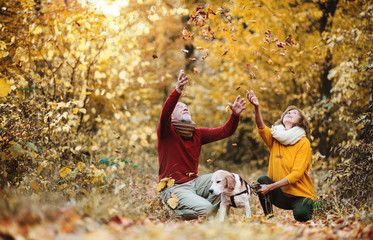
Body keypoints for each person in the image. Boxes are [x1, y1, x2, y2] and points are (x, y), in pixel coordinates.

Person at [157, 70, 246, 220]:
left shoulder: (197, 133)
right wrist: (177, 91)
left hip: (195, 183)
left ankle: (205, 211)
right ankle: (178, 214)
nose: (184, 107)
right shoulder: (166, 132)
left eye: (186, 106)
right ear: (172, 115)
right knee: (207, 209)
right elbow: (164, 114)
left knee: (223, 178)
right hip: (173, 187)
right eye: (179, 107)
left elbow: (225, 132)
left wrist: (235, 115)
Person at [246, 90, 315, 222]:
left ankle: (309, 207)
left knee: (301, 215)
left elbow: (296, 174)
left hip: (301, 195)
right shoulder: (275, 138)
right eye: (287, 112)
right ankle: (269, 218)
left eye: (294, 113)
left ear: (300, 122)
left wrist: (270, 187)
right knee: (262, 180)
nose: (289, 113)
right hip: (281, 195)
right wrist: (256, 107)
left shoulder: (303, 142)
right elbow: (261, 127)